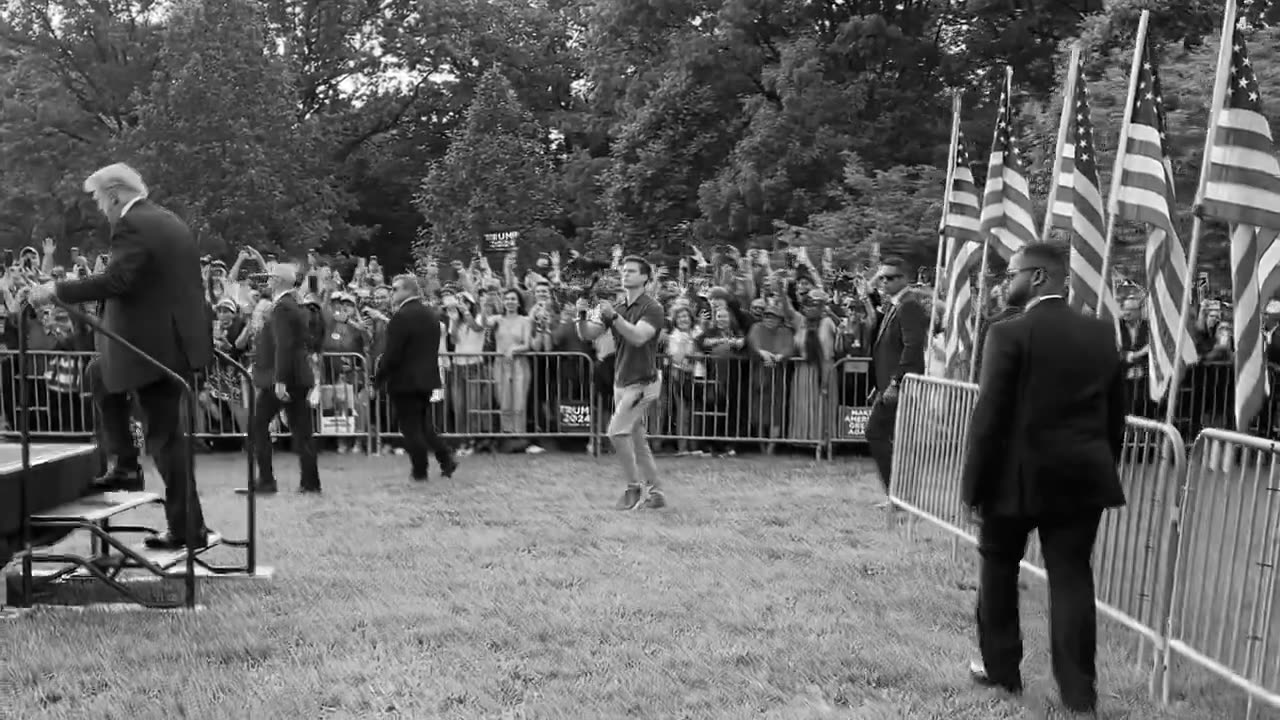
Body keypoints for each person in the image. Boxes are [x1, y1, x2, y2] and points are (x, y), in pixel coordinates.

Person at [960, 242, 1126, 716]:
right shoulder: (1099, 334)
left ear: (1038, 278)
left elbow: (988, 418)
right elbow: (1116, 417)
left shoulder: (1007, 333)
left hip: (1015, 481)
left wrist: (973, 487)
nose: (1002, 281)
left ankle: (1001, 668)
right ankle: (1078, 694)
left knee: (998, 567)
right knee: (1072, 579)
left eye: (1009, 273)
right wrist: (1099, 465)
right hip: (1080, 479)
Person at [28, 163, 212, 550]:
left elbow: (118, 280)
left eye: (99, 199)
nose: (101, 208)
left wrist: (57, 290)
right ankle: (126, 465)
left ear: (113, 194)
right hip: (169, 344)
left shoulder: (133, 224)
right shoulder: (167, 220)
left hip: (151, 349)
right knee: (98, 374)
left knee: (165, 440)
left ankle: (185, 528)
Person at [577, 256, 666, 510]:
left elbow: (638, 337)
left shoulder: (653, 308)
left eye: (631, 271)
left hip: (643, 382)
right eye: (623, 270)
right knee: (637, 440)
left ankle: (634, 488)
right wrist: (581, 313)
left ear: (645, 278)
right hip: (621, 381)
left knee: (616, 432)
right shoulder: (618, 306)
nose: (625, 274)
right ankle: (656, 492)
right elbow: (587, 334)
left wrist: (613, 317)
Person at [242, 263, 320, 495]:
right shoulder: (293, 304)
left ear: (278, 281)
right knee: (302, 431)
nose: (267, 281)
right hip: (296, 376)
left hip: (286, 377)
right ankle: (310, 482)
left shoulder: (282, 307)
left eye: (271, 278)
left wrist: (280, 380)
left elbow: (284, 345)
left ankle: (266, 481)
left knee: (258, 426)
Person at [372, 274, 457, 481]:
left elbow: (392, 354)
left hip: (405, 381)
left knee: (411, 428)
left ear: (408, 290)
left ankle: (420, 470)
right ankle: (446, 458)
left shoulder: (401, 317)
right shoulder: (430, 314)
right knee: (423, 424)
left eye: (395, 289)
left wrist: (377, 379)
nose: (392, 293)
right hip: (426, 378)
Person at [864, 256, 927, 503]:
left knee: (877, 433)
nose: (884, 282)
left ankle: (899, 495)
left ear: (905, 279)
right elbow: (886, 348)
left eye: (890, 278)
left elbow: (912, 347)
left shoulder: (909, 305)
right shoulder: (895, 305)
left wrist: (896, 383)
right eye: (882, 277)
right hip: (888, 384)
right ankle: (899, 495)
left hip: (901, 386)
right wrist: (877, 384)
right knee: (893, 438)